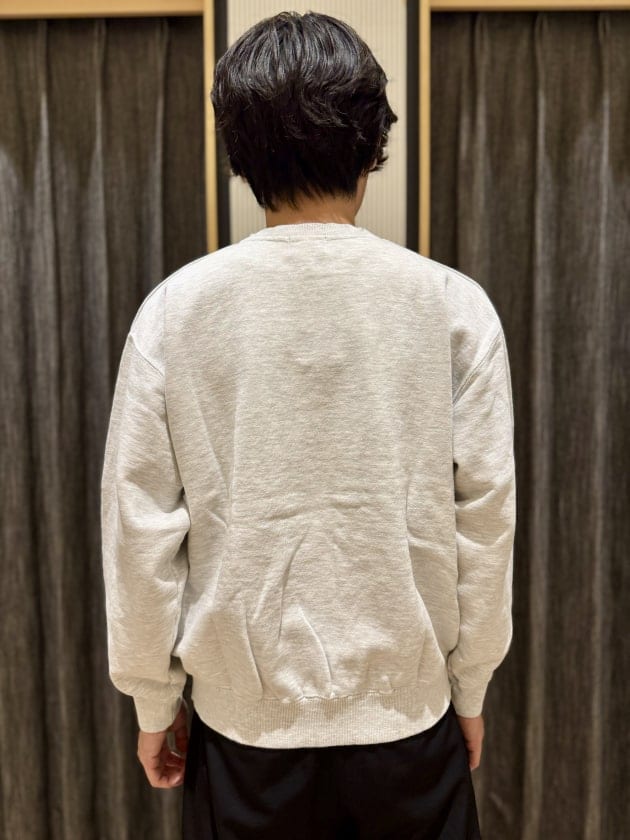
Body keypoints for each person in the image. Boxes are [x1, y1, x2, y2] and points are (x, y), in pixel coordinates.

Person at [100, 10, 516, 839]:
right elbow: (486, 521)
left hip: (244, 736)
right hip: (407, 724)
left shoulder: (175, 313)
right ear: (371, 148)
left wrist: (153, 700)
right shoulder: (451, 307)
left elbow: (139, 530)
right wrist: (469, 687)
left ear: (241, 156)